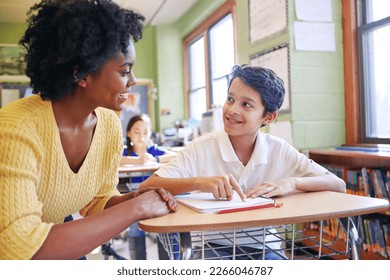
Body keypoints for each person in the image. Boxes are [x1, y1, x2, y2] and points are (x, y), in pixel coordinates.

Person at [0, 0, 177, 260]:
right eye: (125, 70)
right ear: (81, 75)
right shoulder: (16, 129)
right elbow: (20, 250)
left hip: (51, 239)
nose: (133, 80)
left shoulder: (108, 125)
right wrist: (136, 208)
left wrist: (133, 198)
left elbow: (97, 201)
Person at [140, 64, 346, 260]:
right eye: (230, 99)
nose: (232, 110)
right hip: (212, 246)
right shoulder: (201, 147)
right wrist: (199, 182)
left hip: (265, 245)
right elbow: (146, 186)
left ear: (268, 117)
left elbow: (338, 184)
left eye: (246, 104)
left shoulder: (278, 149)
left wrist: (292, 182)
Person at [120, 114, 176, 260]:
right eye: (137, 132)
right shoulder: (125, 152)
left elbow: (175, 155)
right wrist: (139, 160)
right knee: (135, 230)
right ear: (128, 133)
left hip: (156, 200)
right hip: (133, 201)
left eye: (145, 132)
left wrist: (156, 158)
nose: (141, 136)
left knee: (164, 231)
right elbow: (115, 159)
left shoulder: (153, 151)